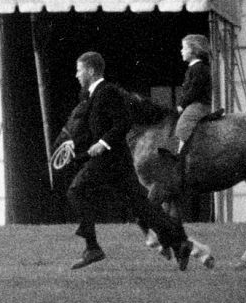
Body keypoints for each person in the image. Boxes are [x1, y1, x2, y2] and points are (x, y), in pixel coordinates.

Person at [53, 51, 190, 270]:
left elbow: (123, 122)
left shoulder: (107, 92)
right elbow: (93, 128)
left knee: (76, 191)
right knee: (141, 206)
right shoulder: (91, 95)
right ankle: (180, 242)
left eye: (79, 70)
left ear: (90, 70)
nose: (76, 75)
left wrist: (103, 143)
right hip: (118, 161)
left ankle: (92, 248)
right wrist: (75, 148)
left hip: (109, 158)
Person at [158, 34, 213, 160]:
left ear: (193, 51)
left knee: (185, 120)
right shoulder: (194, 68)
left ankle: (177, 151)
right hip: (195, 104)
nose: (181, 51)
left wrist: (182, 105)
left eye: (184, 48)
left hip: (200, 105)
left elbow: (194, 90)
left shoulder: (199, 68)